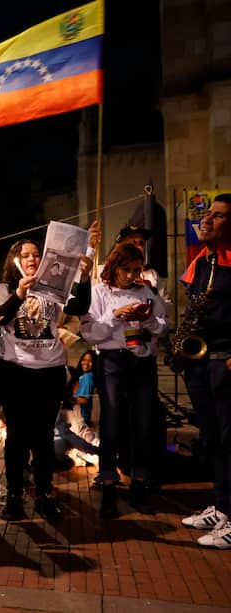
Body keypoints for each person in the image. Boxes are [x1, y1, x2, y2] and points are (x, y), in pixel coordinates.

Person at [0, 221, 98, 522]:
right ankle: (14, 495)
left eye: (37, 254)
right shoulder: (3, 288)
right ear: (15, 261)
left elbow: (80, 306)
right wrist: (20, 295)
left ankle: (45, 494)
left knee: (42, 438)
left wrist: (86, 275)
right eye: (26, 255)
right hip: (15, 372)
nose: (33, 259)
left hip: (49, 371)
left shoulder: (53, 288)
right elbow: (0, 317)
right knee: (17, 437)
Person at [81, 243, 168, 518]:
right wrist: (115, 315)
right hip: (112, 362)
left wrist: (148, 320)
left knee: (143, 423)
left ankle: (139, 485)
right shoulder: (99, 292)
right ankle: (108, 484)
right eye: (126, 270)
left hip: (142, 361)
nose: (131, 276)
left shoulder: (145, 291)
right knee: (111, 422)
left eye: (136, 270)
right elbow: (91, 333)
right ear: (114, 266)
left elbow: (163, 325)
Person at [177, 194, 231, 549]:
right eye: (208, 213)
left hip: (225, 361)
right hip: (199, 362)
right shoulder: (202, 261)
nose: (208, 219)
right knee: (212, 439)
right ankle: (223, 508)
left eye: (219, 215)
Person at [72, 350, 97, 426]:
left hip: (80, 419)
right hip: (80, 418)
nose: (86, 363)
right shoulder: (86, 376)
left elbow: (83, 400)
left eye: (90, 361)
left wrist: (65, 400)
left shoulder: (87, 377)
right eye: (84, 360)